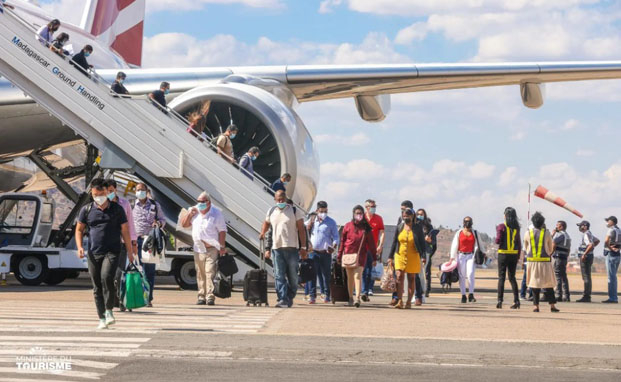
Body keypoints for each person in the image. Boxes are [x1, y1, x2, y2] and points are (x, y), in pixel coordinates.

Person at [75, 178, 134, 329]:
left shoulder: (117, 209)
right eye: (95, 194)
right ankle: (101, 318)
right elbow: (79, 230)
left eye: (101, 193)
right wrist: (80, 247)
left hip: (113, 251)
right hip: (94, 253)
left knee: (107, 278)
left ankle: (109, 310)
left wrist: (130, 251)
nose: (99, 197)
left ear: (107, 192)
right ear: (92, 193)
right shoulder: (87, 210)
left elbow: (125, 231)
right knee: (97, 286)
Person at [259, 190, 307, 308]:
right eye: (278, 200)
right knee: (279, 275)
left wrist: (304, 247)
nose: (280, 202)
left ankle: (289, 296)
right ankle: (282, 299)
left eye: (282, 199)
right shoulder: (271, 211)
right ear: (275, 200)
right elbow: (266, 223)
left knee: (293, 277)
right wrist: (262, 233)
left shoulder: (294, 211)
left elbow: (301, 229)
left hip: (292, 248)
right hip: (277, 249)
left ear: (285, 199)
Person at [181, 191, 227, 306]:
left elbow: (222, 230)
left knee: (209, 272)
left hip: (211, 248)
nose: (200, 203)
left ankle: (210, 296)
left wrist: (222, 246)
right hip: (198, 248)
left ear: (208, 202)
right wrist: (189, 214)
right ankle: (201, 296)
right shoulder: (194, 211)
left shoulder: (216, 213)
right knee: (200, 273)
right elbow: (184, 224)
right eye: (198, 201)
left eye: (202, 201)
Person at [104, 180, 137, 310]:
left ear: (116, 190)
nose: (109, 193)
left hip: (122, 244)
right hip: (106, 244)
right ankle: (112, 300)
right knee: (107, 275)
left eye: (111, 191)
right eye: (107, 191)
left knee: (119, 273)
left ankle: (122, 299)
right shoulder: (102, 204)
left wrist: (133, 242)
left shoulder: (124, 203)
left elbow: (130, 224)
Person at [132, 183, 166, 307]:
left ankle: (148, 298)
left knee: (149, 271)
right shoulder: (131, 205)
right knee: (136, 270)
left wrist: (158, 224)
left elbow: (163, 220)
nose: (140, 192)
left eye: (142, 190)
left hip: (150, 241)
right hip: (135, 241)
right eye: (138, 190)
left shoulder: (155, 205)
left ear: (147, 191)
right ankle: (137, 296)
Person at [337, 205, 377, 308]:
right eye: (357, 213)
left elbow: (372, 244)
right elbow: (342, 241)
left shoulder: (366, 228)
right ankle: (350, 298)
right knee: (350, 277)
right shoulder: (347, 226)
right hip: (348, 255)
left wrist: (374, 257)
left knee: (357, 276)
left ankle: (357, 298)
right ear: (353, 214)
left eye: (360, 213)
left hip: (360, 255)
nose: (358, 215)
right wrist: (339, 254)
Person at [388, 208, 425, 309]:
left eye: (408, 216)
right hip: (400, 254)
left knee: (411, 278)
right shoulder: (400, 227)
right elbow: (394, 242)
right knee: (399, 276)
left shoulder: (417, 228)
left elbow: (422, 243)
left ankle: (409, 301)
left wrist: (424, 257)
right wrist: (390, 257)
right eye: (404, 216)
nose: (406, 218)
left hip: (413, 254)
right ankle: (400, 300)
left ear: (412, 216)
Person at [524, 212, 560, 313]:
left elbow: (526, 247)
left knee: (535, 285)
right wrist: (547, 254)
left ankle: (536, 306)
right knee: (548, 284)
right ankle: (552, 306)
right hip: (544, 262)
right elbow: (549, 248)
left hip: (532, 262)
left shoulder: (528, 233)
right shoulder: (547, 233)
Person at [306, 201, 339, 304]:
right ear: (317, 211)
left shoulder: (331, 222)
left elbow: (336, 237)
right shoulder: (311, 221)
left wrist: (334, 245)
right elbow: (302, 230)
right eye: (321, 211)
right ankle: (312, 296)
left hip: (326, 253)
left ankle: (327, 295)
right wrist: (307, 227)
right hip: (313, 252)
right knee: (312, 274)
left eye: (325, 211)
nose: (323, 213)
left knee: (326, 275)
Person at [450, 216, 485, 303]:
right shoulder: (459, 233)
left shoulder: (475, 233)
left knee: (470, 274)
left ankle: (471, 294)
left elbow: (480, 243)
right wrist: (452, 257)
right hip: (460, 255)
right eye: (466, 221)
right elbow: (454, 245)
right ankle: (463, 295)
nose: (467, 223)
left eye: (469, 221)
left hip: (471, 256)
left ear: (472, 223)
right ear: (463, 223)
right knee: (462, 276)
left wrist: (483, 253)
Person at [495, 207, 522, 309]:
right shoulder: (516, 228)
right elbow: (519, 243)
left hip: (503, 254)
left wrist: (499, 234)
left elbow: (497, 240)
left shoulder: (501, 226)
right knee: (512, 278)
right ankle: (516, 300)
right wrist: (518, 256)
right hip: (513, 254)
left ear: (505, 216)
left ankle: (500, 300)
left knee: (501, 277)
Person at [361, 199, 384, 301]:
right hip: (361, 248)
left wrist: (380, 245)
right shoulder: (361, 217)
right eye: (372, 206)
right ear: (366, 207)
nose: (374, 208)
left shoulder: (378, 218)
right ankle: (362, 289)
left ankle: (367, 289)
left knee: (369, 270)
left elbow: (382, 232)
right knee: (361, 269)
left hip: (372, 248)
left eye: (375, 206)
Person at [576, 220, 599, 303]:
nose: (579, 227)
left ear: (585, 226)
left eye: (581, 225)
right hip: (589, 256)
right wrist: (591, 249)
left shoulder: (586, 234)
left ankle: (586, 296)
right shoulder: (590, 233)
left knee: (586, 277)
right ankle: (587, 295)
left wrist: (584, 253)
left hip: (585, 257)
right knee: (587, 276)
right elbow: (597, 241)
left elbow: (590, 245)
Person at [417, 209, 437, 298]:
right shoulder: (414, 225)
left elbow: (434, 242)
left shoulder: (429, 226)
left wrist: (430, 240)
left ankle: (427, 290)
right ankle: (419, 288)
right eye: (418, 214)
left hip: (426, 250)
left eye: (421, 214)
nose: (419, 216)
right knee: (418, 271)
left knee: (426, 272)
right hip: (417, 250)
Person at [552, 220, 571, 302]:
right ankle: (566, 295)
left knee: (558, 276)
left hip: (558, 257)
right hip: (564, 257)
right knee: (563, 276)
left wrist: (550, 253)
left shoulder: (560, 235)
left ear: (562, 227)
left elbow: (553, 243)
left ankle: (558, 294)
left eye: (558, 225)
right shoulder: (567, 235)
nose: (556, 227)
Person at [603, 216, 621, 303]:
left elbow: (606, 241)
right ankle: (614, 297)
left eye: (608, 221)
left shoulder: (611, 230)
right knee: (614, 277)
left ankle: (613, 298)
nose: (607, 223)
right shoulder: (619, 230)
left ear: (612, 222)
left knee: (611, 277)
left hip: (611, 254)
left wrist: (610, 248)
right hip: (617, 254)